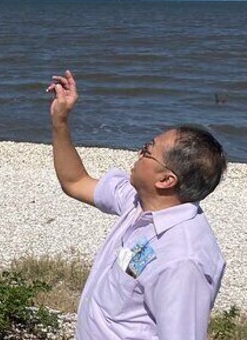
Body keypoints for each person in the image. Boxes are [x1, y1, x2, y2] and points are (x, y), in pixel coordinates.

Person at [47, 70, 227, 339]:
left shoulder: (182, 260)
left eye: (146, 150)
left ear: (166, 180)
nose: (138, 153)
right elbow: (75, 181)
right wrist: (60, 121)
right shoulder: (139, 203)